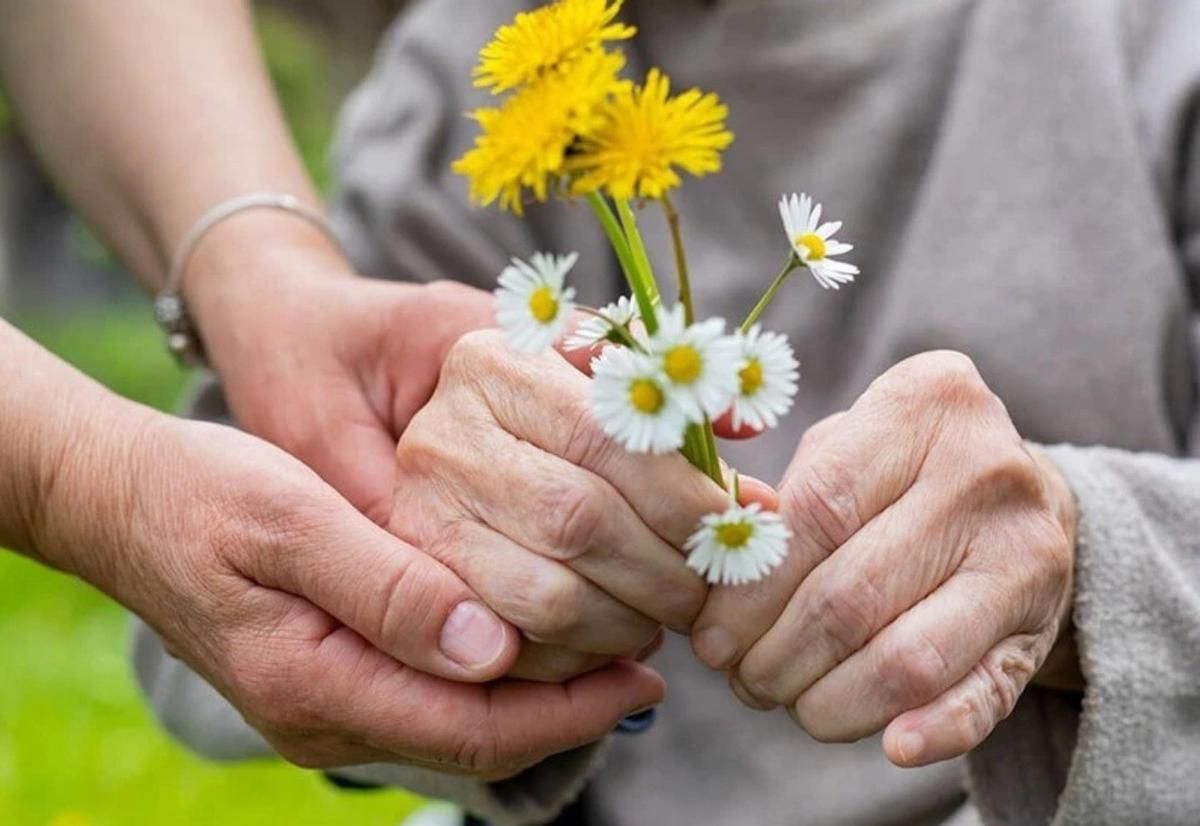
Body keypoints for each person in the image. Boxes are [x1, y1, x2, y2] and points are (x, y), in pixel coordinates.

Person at [6, 1, 1200, 826]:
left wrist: (1092, 560)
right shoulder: (470, 92)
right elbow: (217, 622)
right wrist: (453, 574)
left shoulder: (1148, 47)